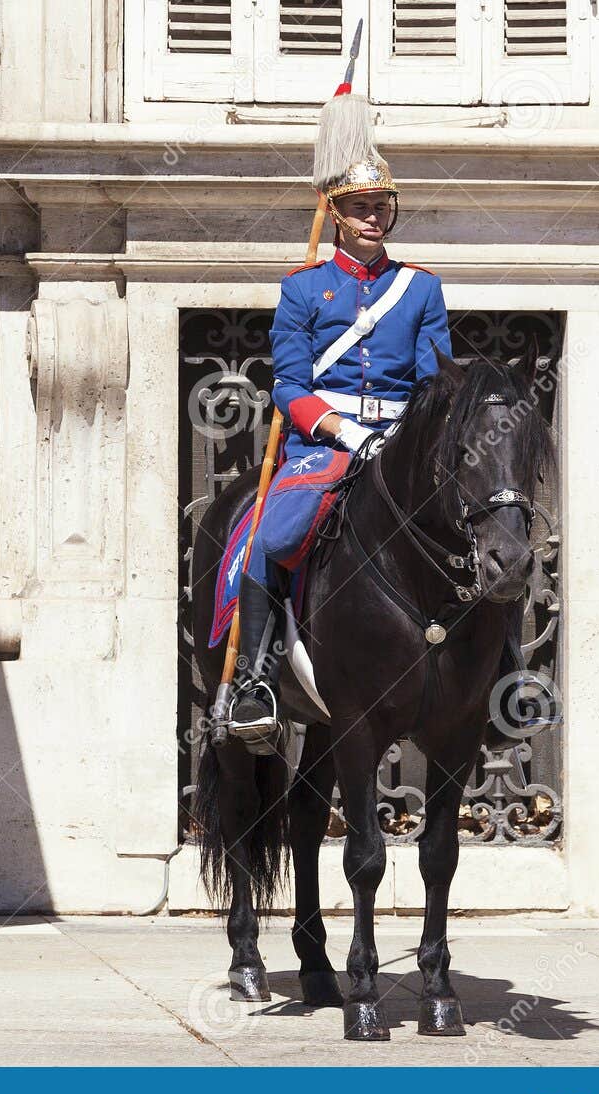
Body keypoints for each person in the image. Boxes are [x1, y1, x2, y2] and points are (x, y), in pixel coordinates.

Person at [228, 94, 450, 746]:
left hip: (403, 444)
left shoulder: (421, 288)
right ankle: (255, 683)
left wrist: (405, 434)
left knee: (474, 532)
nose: (373, 217)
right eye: (360, 207)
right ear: (335, 215)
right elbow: (291, 386)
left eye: (382, 206)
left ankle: (485, 673)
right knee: (270, 541)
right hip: (323, 446)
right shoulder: (302, 289)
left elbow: (436, 381)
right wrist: (345, 432)